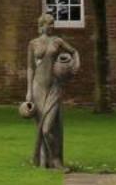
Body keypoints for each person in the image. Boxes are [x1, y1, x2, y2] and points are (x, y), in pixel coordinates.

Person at [21, 11, 79, 169]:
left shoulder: (58, 42)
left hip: (54, 87)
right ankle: (43, 160)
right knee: (40, 127)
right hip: (38, 87)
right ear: (42, 26)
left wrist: (75, 66)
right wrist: (29, 91)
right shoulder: (33, 43)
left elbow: (74, 52)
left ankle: (56, 160)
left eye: (53, 23)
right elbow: (30, 68)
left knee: (48, 128)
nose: (52, 26)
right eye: (49, 23)